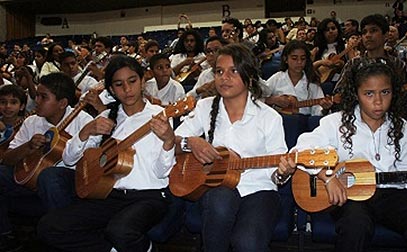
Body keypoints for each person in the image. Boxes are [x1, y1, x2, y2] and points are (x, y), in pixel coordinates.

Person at [282, 62, 407, 252]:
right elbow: (300, 151)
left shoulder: (403, 128)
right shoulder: (335, 123)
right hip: (350, 197)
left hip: (391, 195)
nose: (378, 101)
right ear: (357, 95)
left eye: (385, 92)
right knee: (356, 226)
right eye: (369, 93)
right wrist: (327, 177)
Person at [37, 55, 176, 251]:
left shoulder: (159, 116)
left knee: (120, 231)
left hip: (149, 197)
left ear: (143, 80)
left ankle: (145, 248)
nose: (127, 89)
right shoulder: (106, 117)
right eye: (119, 84)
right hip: (107, 194)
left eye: (132, 81)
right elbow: (68, 159)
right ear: (111, 89)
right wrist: (86, 131)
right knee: (48, 227)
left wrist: (168, 140)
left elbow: (162, 173)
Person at [174, 43, 294, 252]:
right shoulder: (204, 107)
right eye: (219, 71)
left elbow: (276, 174)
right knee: (221, 198)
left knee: (247, 243)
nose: (224, 77)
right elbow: (172, 142)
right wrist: (191, 142)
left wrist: (283, 173)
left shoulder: (269, 117)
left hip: (259, 190)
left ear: (248, 76)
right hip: (216, 188)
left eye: (233, 71)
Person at [0, 72, 93, 251]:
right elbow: (7, 158)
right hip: (30, 185)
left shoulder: (83, 121)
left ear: (62, 103)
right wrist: (28, 147)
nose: (37, 100)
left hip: (64, 193)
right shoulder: (32, 121)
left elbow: (87, 169)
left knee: (50, 176)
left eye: (44, 97)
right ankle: (6, 235)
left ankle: (64, 237)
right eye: (37, 95)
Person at [333, 14, 407, 115]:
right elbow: (338, 97)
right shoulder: (353, 64)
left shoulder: (398, 65)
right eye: (364, 32)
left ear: (385, 35)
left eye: (373, 31)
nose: (368, 35)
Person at [265, 40, 332, 115]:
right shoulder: (277, 78)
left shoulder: (311, 82)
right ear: (285, 59)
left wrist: (325, 109)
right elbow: (260, 95)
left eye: (303, 58)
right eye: (294, 58)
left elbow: (317, 111)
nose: (299, 62)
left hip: (303, 122)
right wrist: (274, 100)